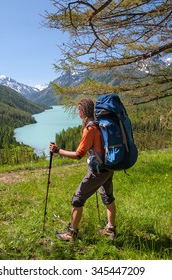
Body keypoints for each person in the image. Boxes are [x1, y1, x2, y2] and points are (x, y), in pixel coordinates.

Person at [49, 98, 116, 242]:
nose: (78, 112)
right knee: (108, 197)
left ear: (81, 111)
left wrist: (57, 150)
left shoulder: (90, 129)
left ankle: (71, 233)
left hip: (98, 171)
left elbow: (78, 154)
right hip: (109, 167)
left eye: (78, 110)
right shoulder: (101, 125)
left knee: (77, 199)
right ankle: (110, 229)